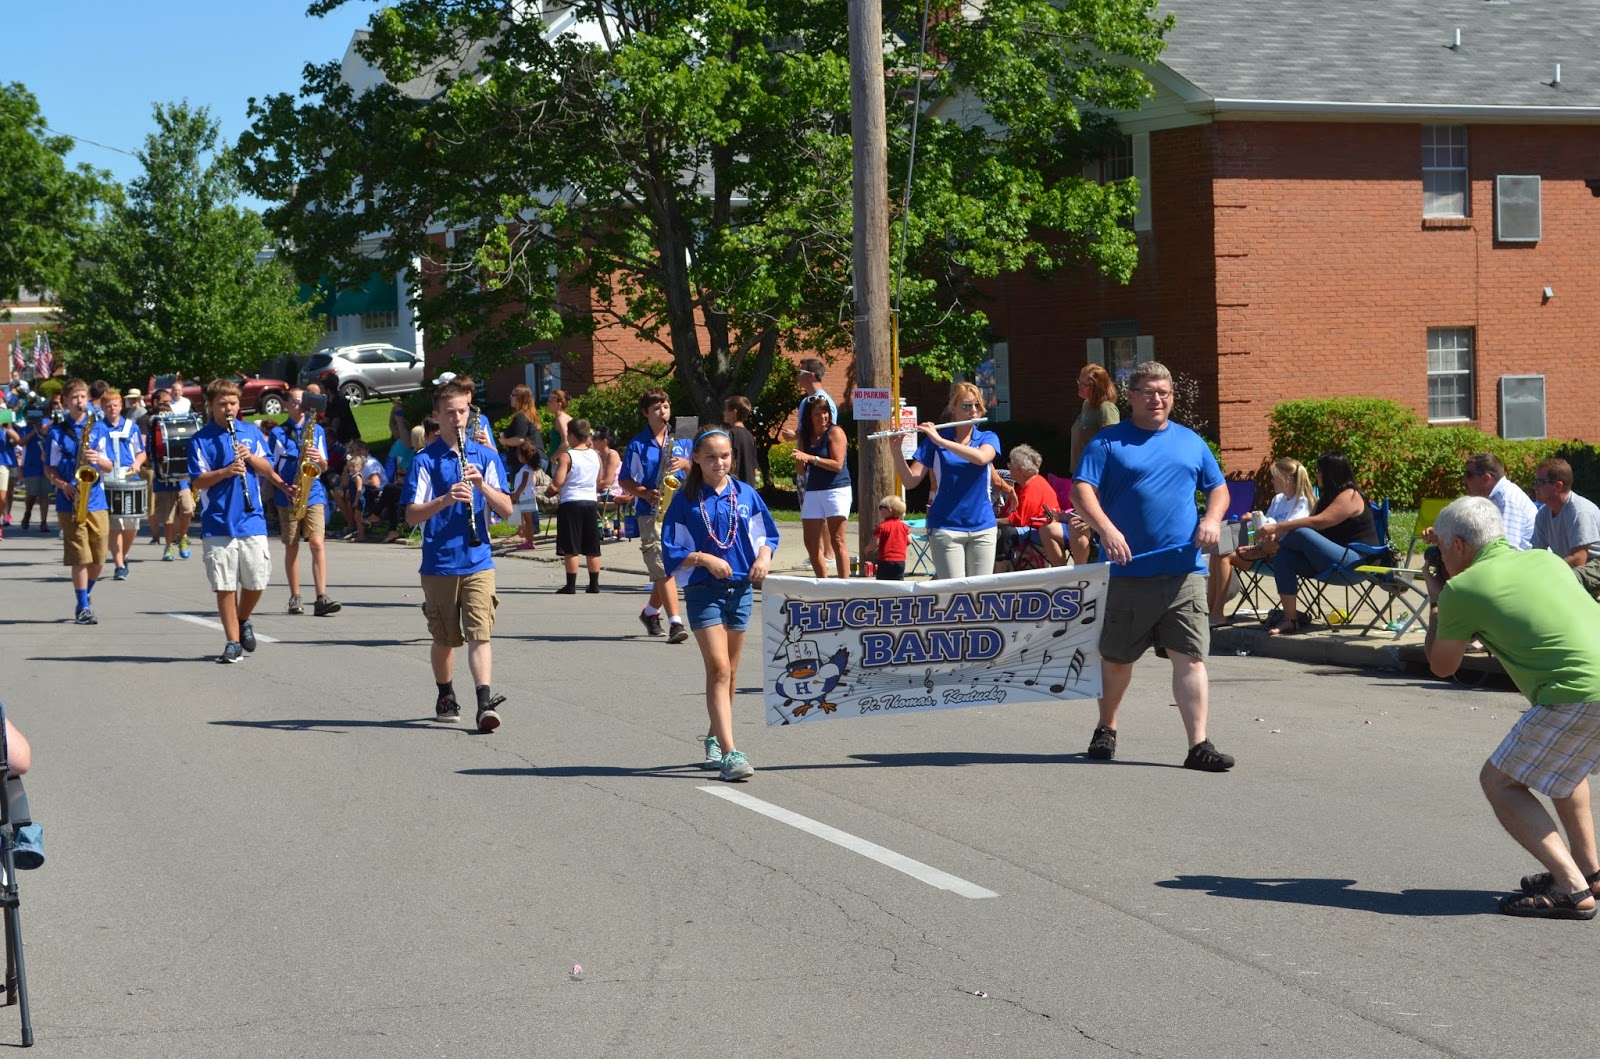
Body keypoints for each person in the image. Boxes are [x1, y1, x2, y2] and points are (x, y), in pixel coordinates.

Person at [1424, 495, 1600, 920]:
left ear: (1461, 546)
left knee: (1500, 782)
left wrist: (1436, 599)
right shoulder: (1548, 561)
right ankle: (1591, 872)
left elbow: (1442, 666)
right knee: (1563, 769)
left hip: (1575, 693)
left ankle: (1571, 888)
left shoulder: (1463, 589)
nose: (1443, 557)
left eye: (1445, 548)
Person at [1071, 360, 1234, 772]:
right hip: (1128, 572)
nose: (1157, 399)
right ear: (1131, 397)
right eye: (1148, 392)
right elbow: (1081, 491)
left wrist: (1211, 520)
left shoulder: (1191, 442)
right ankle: (1106, 727)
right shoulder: (1109, 443)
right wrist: (1106, 529)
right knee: (1117, 660)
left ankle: (1198, 744)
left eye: (1164, 393)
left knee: (1190, 657)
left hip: (1183, 571)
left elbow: (1218, 488)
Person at [660, 425, 778, 782]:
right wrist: (703, 558)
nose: (719, 463)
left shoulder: (745, 494)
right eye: (710, 457)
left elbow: (766, 535)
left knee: (731, 672)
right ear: (696, 458)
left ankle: (714, 736)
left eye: (725, 456)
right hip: (703, 591)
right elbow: (672, 549)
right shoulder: (684, 498)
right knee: (718, 669)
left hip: (740, 589)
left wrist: (764, 558)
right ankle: (730, 753)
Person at [404, 378, 514, 731]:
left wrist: (481, 485)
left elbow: (508, 510)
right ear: (437, 416)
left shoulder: (486, 457)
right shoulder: (425, 460)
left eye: (462, 412)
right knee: (444, 639)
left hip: (478, 559)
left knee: (480, 632)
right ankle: (445, 692)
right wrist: (445, 499)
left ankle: (484, 702)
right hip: (439, 561)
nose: (457, 419)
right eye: (449, 413)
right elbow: (410, 515)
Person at [188, 378, 292, 663]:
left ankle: (243, 618)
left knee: (257, 581)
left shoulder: (251, 432)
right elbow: (197, 480)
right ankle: (232, 642)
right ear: (211, 406)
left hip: (251, 519)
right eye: (222, 404)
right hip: (218, 521)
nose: (229, 408)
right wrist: (224, 472)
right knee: (224, 585)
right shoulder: (200, 439)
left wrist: (250, 458)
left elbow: (267, 467)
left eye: (233, 403)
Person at [1253, 451, 1381, 635]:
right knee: (1285, 557)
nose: (1316, 474)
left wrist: (1277, 528)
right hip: (1330, 562)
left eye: (1319, 470)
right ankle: (1290, 619)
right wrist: (1275, 538)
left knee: (1302, 533)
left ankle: (1265, 551)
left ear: (1330, 472)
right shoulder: (1325, 499)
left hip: (1356, 563)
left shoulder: (1350, 495)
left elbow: (1318, 522)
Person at [890, 381, 1001, 579]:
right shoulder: (934, 441)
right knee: (953, 592)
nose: (973, 411)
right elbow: (911, 481)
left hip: (983, 526)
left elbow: (982, 458)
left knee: (980, 593)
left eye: (977, 405)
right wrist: (896, 451)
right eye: (966, 406)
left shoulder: (987, 437)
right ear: (953, 408)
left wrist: (941, 441)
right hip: (946, 526)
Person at [619, 388, 693, 643]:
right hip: (651, 510)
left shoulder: (683, 436)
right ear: (646, 413)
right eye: (656, 409)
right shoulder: (638, 443)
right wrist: (643, 492)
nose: (663, 412)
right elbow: (624, 479)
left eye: (666, 407)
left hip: (681, 508)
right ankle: (675, 622)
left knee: (674, 564)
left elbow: (703, 469)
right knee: (661, 565)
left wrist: (686, 465)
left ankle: (651, 612)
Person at [1206, 457, 1314, 626]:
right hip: (1263, 549)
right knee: (1217, 552)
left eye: (1274, 477)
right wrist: (1256, 520)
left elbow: (1290, 531)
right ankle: (1212, 611)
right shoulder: (1278, 500)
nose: (1271, 480)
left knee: (1224, 556)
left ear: (1286, 478)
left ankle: (1216, 613)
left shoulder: (1303, 502)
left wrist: (1264, 522)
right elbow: (1266, 528)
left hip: (1283, 555)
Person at [44, 379, 115, 624]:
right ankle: (84, 606)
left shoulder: (98, 428)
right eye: (74, 397)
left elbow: (110, 465)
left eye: (83, 397)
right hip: (69, 500)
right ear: (65, 401)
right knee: (80, 556)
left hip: (96, 499)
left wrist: (97, 458)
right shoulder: (56, 431)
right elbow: (49, 467)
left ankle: (85, 595)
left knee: (99, 558)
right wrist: (61, 485)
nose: (79, 401)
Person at [269, 389, 341, 617]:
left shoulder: (316, 430)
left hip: (314, 492)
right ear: (287, 405)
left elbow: (325, 466)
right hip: (288, 494)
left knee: (317, 543)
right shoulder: (278, 433)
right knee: (292, 546)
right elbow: (269, 467)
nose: (300, 405)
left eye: (304, 401)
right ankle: (295, 596)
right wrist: (282, 486)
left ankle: (321, 596)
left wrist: (318, 458)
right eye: (296, 401)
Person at [547, 418, 607, 594]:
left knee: (571, 545)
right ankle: (594, 583)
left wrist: (550, 491)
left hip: (571, 502)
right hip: (590, 502)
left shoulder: (567, 456)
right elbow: (599, 479)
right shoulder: (595, 455)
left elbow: (558, 482)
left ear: (571, 435)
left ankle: (571, 585)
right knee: (592, 545)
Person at [794, 393, 851, 578]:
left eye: (825, 413)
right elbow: (801, 470)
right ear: (810, 417)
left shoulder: (836, 432)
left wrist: (812, 458)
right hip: (814, 489)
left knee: (837, 539)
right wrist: (799, 456)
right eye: (818, 414)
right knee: (810, 541)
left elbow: (837, 465)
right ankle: (823, 583)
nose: (823, 417)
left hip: (836, 489)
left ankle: (844, 585)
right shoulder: (806, 436)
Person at [1068, 364, 1120, 565]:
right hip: (1080, 475)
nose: (1080, 387)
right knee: (1078, 525)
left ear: (1097, 386)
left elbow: (1114, 446)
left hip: (1098, 479)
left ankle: (1092, 571)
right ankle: (1081, 573)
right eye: (1078, 382)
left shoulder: (1106, 408)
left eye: (1085, 384)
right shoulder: (1086, 406)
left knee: (1082, 524)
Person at [1530, 458, 1600, 599]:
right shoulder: (1543, 514)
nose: (1534, 486)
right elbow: (1537, 553)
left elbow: (1579, 559)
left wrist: (1547, 569)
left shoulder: (1580, 512)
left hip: (1595, 565)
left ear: (1558, 486)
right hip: (1574, 566)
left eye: (1540, 482)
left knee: (1562, 583)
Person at [100, 391, 147, 580]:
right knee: (115, 523)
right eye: (108, 406)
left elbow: (141, 452)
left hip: (129, 478)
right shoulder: (98, 428)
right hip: (108, 478)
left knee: (131, 524)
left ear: (121, 406)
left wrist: (137, 464)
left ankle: (123, 555)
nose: (112, 409)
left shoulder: (131, 427)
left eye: (115, 405)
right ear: (103, 408)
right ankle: (119, 565)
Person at [997, 444, 1066, 569]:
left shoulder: (1033, 487)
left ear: (1019, 470)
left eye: (1010, 464)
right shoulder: (1021, 487)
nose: (1008, 467)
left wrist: (992, 522)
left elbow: (1018, 520)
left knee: (1004, 532)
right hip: (1030, 528)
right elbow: (1006, 512)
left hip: (1039, 531)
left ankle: (998, 574)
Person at [146, 389, 194, 561]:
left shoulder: (177, 432)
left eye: (168, 415)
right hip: (163, 479)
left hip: (181, 479)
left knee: (188, 509)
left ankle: (182, 536)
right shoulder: (152, 435)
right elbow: (150, 455)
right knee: (168, 518)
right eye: (163, 416)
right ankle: (168, 546)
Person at [1461, 453, 1537, 551]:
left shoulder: (1507, 500)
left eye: (1468, 475)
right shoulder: (1492, 497)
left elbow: (1507, 548)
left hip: (1524, 562)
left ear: (1486, 478)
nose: (1464, 480)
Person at [499, 383, 544, 470]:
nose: (510, 397)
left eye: (513, 395)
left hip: (526, 460)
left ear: (520, 398)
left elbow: (519, 439)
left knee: (520, 483)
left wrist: (504, 441)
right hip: (538, 457)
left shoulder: (521, 416)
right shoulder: (530, 415)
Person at [19, 414, 51, 534]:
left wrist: (44, 430)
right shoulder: (25, 429)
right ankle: (28, 512)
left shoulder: (47, 425)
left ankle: (44, 522)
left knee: (44, 495)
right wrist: (34, 431)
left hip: (45, 465)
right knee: (31, 494)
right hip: (31, 466)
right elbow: (21, 442)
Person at [866, 494, 910, 580]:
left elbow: (875, 543)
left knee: (883, 582)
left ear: (889, 510)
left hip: (885, 561)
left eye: (881, 507)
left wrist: (867, 548)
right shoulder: (904, 526)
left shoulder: (882, 527)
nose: (879, 510)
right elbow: (909, 540)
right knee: (898, 580)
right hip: (900, 561)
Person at [509, 440, 542, 550]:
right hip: (527, 496)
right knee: (527, 520)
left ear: (523, 456)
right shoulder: (529, 469)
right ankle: (528, 539)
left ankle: (530, 541)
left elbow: (523, 484)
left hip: (525, 497)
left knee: (528, 521)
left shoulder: (526, 470)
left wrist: (516, 494)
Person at [723, 395, 759, 487]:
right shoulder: (750, 436)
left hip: (734, 486)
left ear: (734, 412)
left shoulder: (730, 435)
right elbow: (755, 469)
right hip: (749, 487)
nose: (723, 412)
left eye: (726, 410)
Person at [545, 389, 573, 466]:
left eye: (550, 402)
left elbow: (566, 442)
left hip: (560, 462)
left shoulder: (561, 419)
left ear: (559, 404)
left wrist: (554, 457)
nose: (547, 403)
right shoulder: (566, 417)